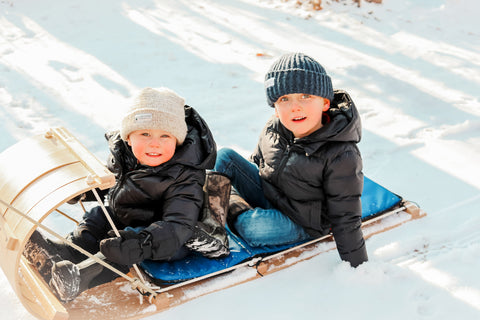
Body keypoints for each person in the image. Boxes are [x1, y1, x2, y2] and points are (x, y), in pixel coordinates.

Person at [24, 87, 228, 301]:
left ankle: (80, 278)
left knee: (121, 248)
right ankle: (66, 252)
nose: (155, 142)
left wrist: (142, 243)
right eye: (145, 133)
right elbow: (112, 184)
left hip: (164, 239)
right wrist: (85, 190)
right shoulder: (125, 156)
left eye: (165, 135)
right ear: (129, 138)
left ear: (177, 141)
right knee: (99, 217)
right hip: (127, 214)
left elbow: (178, 225)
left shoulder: (185, 175)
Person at [215, 52, 368, 267]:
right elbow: (258, 161)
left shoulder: (341, 155)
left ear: (324, 102)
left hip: (300, 220)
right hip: (269, 191)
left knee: (253, 228)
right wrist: (245, 183)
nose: (295, 106)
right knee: (225, 157)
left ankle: (229, 208)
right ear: (275, 108)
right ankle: (209, 220)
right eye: (284, 99)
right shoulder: (274, 126)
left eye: (305, 96)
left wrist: (357, 265)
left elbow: (346, 215)